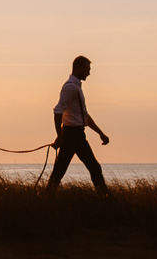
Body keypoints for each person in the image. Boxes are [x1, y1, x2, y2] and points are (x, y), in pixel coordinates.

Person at [45, 55, 110, 195]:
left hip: (75, 134)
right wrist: (60, 136)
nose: (89, 73)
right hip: (73, 136)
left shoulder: (76, 87)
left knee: (59, 171)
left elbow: (83, 116)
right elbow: (58, 111)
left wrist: (101, 133)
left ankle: (45, 197)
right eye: (87, 69)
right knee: (94, 167)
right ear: (79, 68)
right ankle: (107, 198)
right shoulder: (70, 88)